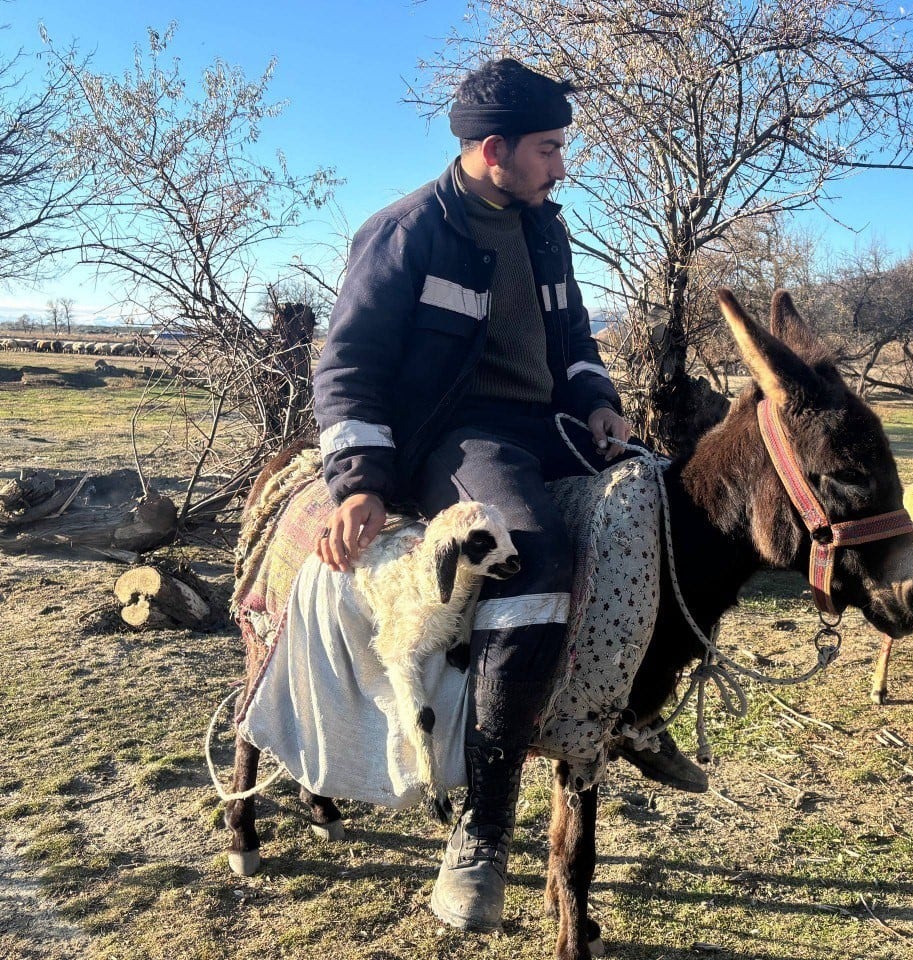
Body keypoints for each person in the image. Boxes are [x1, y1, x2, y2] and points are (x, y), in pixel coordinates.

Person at [311, 59, 705, 934]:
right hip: (460, 437)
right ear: (494, 150)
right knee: (532, 561)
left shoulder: (544, 227)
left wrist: (599, 401)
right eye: (549, 149)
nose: (561, 165)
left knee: (678, 515)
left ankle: (633, 712)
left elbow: (572, 339)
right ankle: (484, 832)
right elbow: (347, 367)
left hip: (549, 427)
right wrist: (362, 480)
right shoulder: (407, 231)